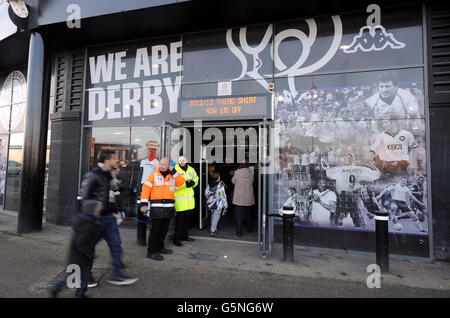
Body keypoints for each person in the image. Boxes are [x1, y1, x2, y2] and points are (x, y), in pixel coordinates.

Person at [85, 150, 138, 286]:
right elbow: (85, 196)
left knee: (116, 245)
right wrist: (93, 216)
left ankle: (117, 275)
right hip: (97, 219)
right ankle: (86, 276)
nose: (117, 161)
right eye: (115, 158)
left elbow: (114, 195)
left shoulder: (111, 175)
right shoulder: (94, 175)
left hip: (109, 218)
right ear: (107, 160)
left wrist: (116, 211)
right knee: (89, 247)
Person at [139, 157, 185, 260]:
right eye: (160, 164)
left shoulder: (173, 175)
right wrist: (143, 204)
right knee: (155, 230)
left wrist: (174, 172)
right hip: (156, 208)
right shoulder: (154, 175)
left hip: (168, 208)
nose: (161, 166)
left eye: (164, 164)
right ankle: (151, 251)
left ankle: (160, 247)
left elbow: (182, 182)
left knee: (164, 230)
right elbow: (145, 189)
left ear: (169, 165)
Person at [173, 156, 199, 246]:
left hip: (189, 201)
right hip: (180, 201)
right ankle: (176, 239)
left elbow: (196, 179)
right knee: (179, 222)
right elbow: (172, 185)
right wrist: (185, 185)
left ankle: (185, 236)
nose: (182, 162)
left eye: (183, 160)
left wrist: (193, 183)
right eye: (180, 160)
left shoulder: (191, 169)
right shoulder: (175, 170)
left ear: (186, 160)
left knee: (187, 221)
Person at [231, 163, 255, 237]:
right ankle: (249, 229)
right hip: (248, 196)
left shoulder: (237, 172)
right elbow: (253, 181)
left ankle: (239, 232)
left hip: (239, 197)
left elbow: (233, 181)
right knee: (249, 214)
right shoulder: (251, 173)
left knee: (239, 215)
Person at [205, 171, 228, 236]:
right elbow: (223, 196)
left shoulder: (208, 184)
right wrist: (225, 205)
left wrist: (209, 199)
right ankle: (212, 230)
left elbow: (206, 194)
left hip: (211, 203)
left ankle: (213, 227)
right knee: (216, 217)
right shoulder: (221, 185)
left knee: (213, 215)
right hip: (219, 204)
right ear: (218, 178)